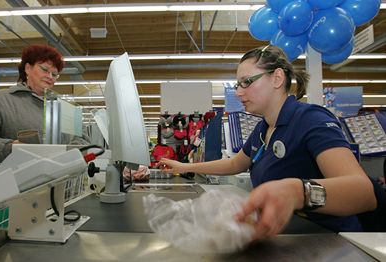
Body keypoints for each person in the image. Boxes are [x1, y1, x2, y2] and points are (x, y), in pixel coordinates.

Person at [158, 45, 376, 241]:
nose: (238, 92)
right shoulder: (263, 128)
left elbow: (363, 193)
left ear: (277, 78)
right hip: (288, 238)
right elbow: (235, 164)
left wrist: (297, 191)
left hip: (330, 241)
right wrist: (185, 167)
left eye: (246, 82)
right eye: (237, 84)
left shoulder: (311, 119)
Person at [0, 44, 89, 163]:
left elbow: (83, 141)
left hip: (63, 179)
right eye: (45, 69)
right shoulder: (0, 100)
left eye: (55, 74)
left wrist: (68, 154)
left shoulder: (67, 108)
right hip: (15, 180)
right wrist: (11, 148)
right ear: (28, 69)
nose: (50, 76)